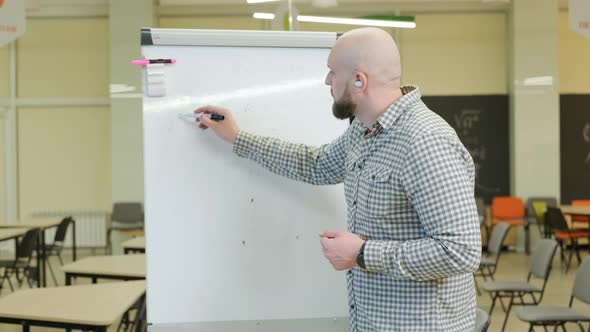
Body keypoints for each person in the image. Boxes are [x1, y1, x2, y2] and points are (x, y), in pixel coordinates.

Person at [194, 27, 480, 332]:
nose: (327, 81)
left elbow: (461, 251)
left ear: (359, 80)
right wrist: (237, 138)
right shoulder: (364, 130)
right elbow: (315, 164)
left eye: (333, 72)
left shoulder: (424, 141)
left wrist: (361, 253)